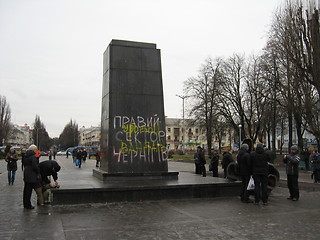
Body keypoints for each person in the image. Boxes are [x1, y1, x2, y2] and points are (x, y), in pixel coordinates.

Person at [22, 144, 43, 209]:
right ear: (34, 150)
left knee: (26, 190)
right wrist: (38, 171)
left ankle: (26, 204)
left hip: (26, 173)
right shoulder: (33, 157)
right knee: (30, 190)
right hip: (32, 174)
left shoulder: (25, 156)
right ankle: (29, 205)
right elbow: (34, 166)